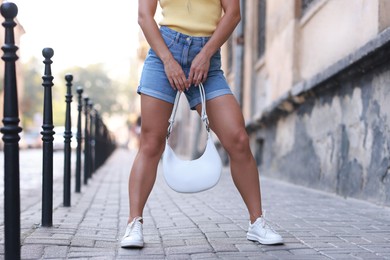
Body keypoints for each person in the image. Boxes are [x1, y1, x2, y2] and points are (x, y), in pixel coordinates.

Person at [121, 0, 283, 248]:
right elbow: (145, 16)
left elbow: (233, 14)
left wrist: (206, 54)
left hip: (207, 57)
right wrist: (168, 61)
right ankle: (134, 223)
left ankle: (257, 222)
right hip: (164, 53)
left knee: (238, 139)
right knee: (151, 144)